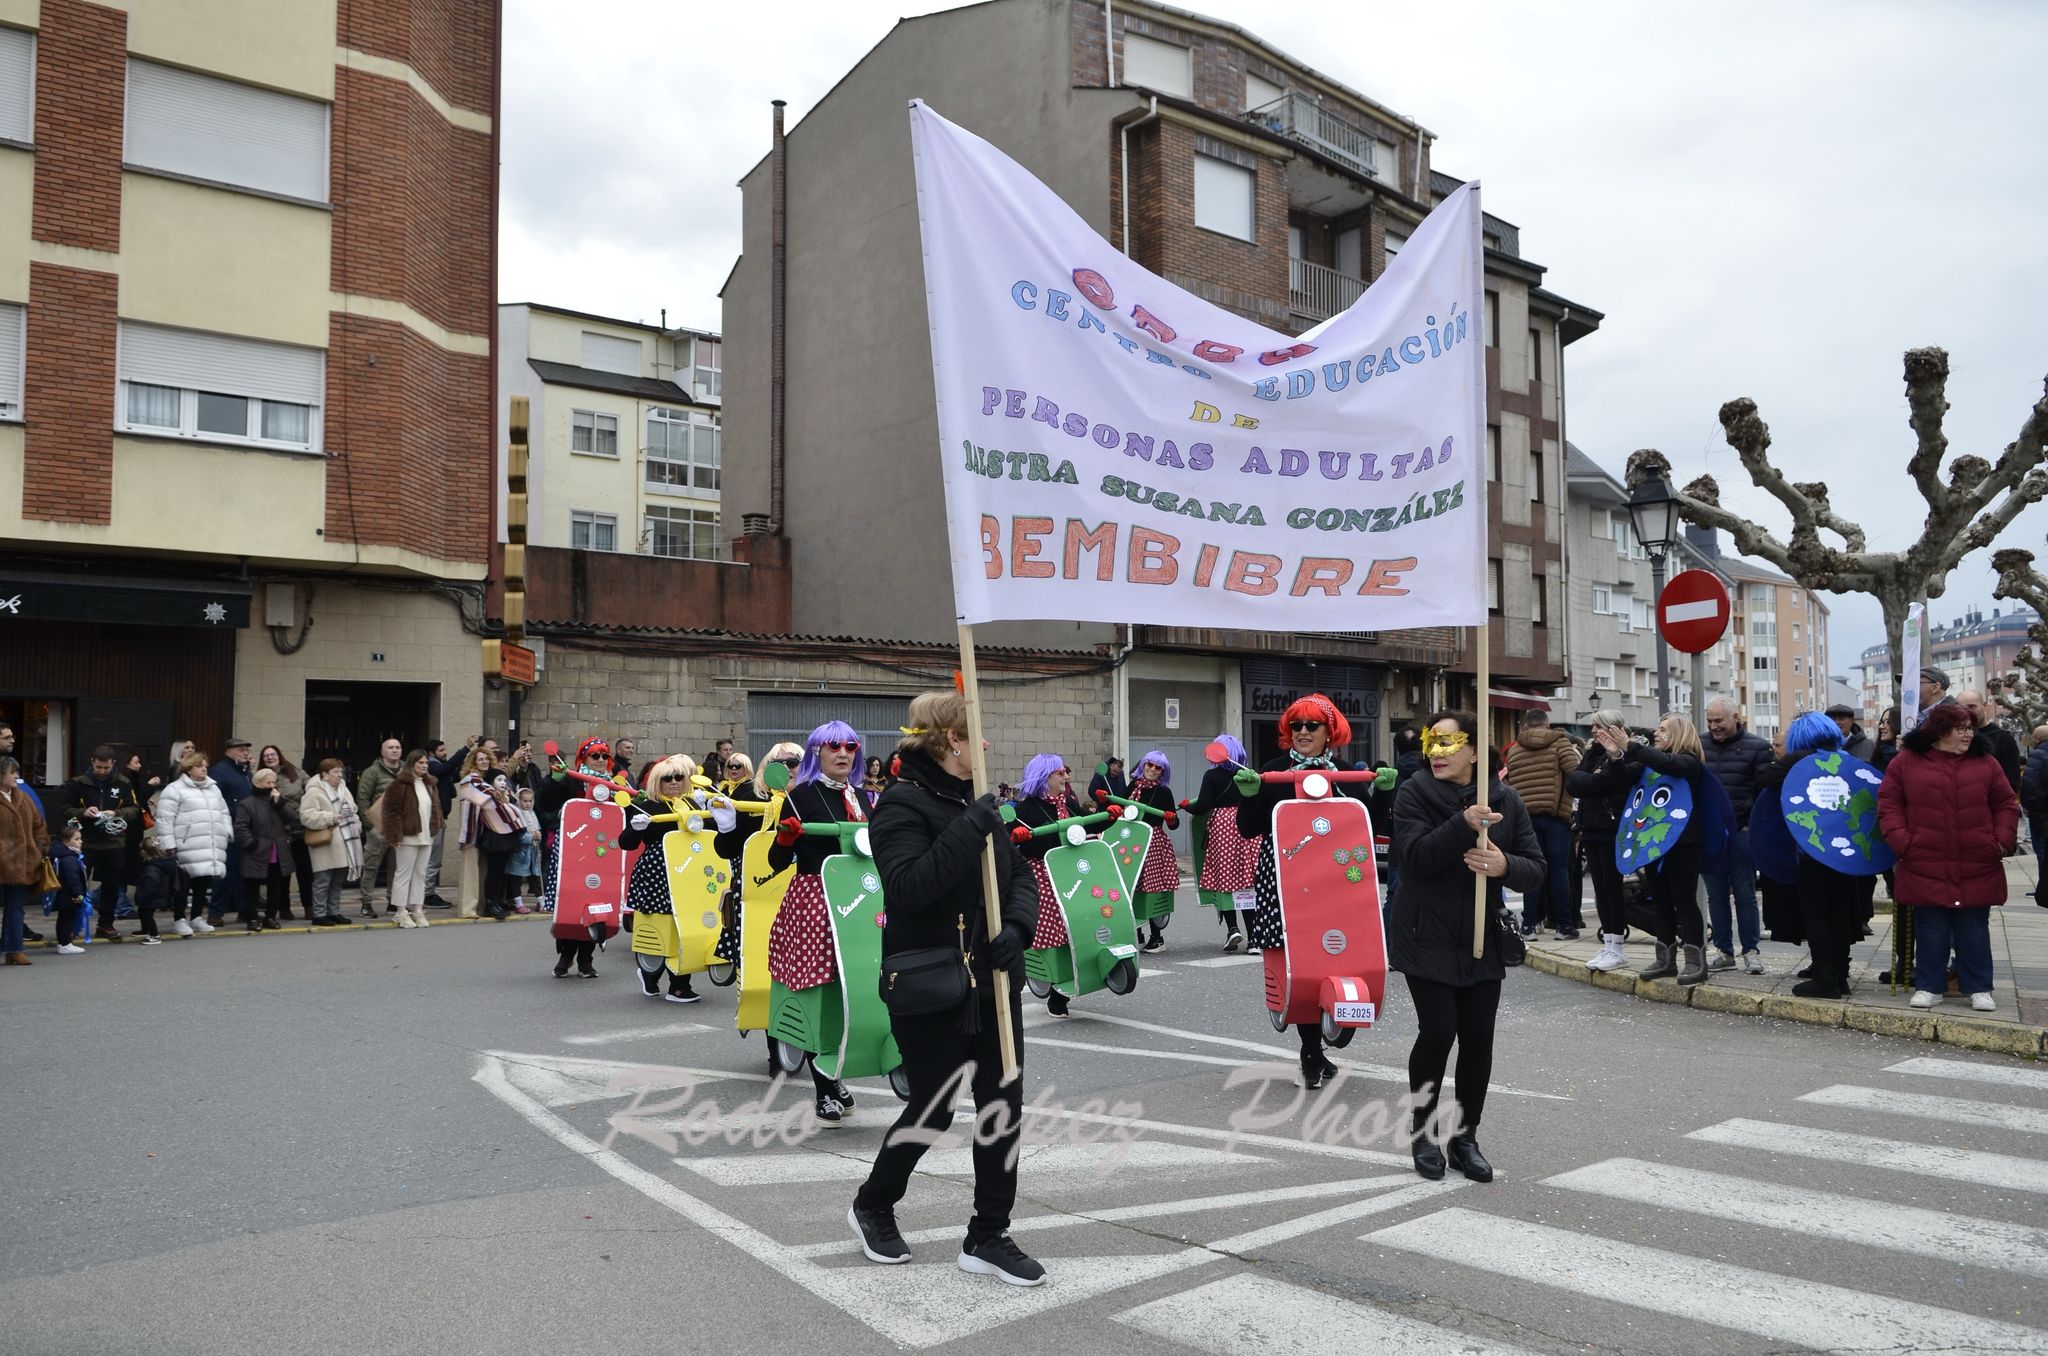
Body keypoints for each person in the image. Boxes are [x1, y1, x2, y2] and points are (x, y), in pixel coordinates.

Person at [849, 691, 1043, 1287]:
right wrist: (971, 825)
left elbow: (1021, 877)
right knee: (932, 1109)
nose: (984, 745)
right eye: (975, 734)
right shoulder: (900, 805)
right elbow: (909, 887)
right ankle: (874, 1204)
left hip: (993, 984)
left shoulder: (974, 802)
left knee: (1002, 1109)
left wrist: (1015, 927)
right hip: (932, 987)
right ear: (951, 740)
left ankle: (988, 1235)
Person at [1388, 710, 1546, 1183]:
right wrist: (1462, 823)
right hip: (1424, 932)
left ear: (1476, 751)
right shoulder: (1413, 791)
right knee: (1438, 1031)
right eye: (1432, 742)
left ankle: (1464, 1136)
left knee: (1478, 1038)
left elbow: (1535, 866)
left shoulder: (1507, 799)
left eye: (1450, 744)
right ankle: (1423, 1131)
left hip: (1481, 936)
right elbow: (1415, 858)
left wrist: (1503, 867)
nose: (1438, 752)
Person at [1236, 695, 1377, 1089]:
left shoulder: (1347, 773)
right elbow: (1249, 829)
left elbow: (1371, 825)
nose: (1301, 733)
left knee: (1337, 952)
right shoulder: (1272, 771)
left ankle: (1321, 1038)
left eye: (1311, 726)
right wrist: (1248, 797)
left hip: (1336, 881)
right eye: (1295, 726)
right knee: (1298, 961)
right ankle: (1311, 1050)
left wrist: (1381, 792)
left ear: (1329, 732)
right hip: (1284, 877)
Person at [1878, 701, 2016, 1012]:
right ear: (1942, 732)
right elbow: (1888, 804)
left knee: (1974, 927)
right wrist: (1903, 842)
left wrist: (2001, 842)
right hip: (1924, 858)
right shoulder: (1906, 763)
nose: (1969, 735)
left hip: (1977, 859)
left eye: (1970, 728)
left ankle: (1979, 987)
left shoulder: (1986, 763)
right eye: (1961, 729)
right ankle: (1929, 985)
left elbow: (2006, 803)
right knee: (1930, 927)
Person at [766, 722, 871, 1119]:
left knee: (857, 989)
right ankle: (823, 1086)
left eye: (850, 746)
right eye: (833, 747)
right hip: (815, 902)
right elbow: (777, 863)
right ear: (816, 753)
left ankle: (840, 1068)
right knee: (821, 995)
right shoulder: (800, 797)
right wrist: (786, 839)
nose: (843, 753)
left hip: (862, 900)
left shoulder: (863, 796)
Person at [1593, 713, 1717, 985]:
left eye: (1663, 730)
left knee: (1684, 901)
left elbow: (1668, 764)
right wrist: (1615, 756)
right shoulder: (1650, 762)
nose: (1657, 734)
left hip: (1684, 842)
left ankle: (1696, 962)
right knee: (1660, 900)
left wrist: (1631, 746)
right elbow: (1624, 778)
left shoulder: (1689, 762)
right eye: (1658, 730)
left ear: (1680, 735)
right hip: (1654, 842)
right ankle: (1665, 960)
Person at [1760, 713, 1871, 998]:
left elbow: (1765, 777)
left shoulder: (1798, 760)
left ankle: (1825, 978)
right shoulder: (1844, 759)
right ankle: (1840, 976)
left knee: (1816, 914)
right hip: (1847, 852)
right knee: (1840, 913)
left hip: (1812, 851)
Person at [620, 755, 724, 1000]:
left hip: (691, 872)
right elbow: (626, 842)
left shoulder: (693, 805)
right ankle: (650, 972)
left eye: (679, 777)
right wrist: (636, 827)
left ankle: (679, 985)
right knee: (661, 926)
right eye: (668, 778)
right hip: (658, 874)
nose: (674, 782)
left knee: (685, 926)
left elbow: (711, 836)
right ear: (658, 782)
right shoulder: (647, 807)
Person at [1009, 752, 1087, 1016]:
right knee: (1053, 931)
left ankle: (1066, 982)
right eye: (1060, 772)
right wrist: (1018, 836)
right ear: (1045, 777)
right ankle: (1053, 989)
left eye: (1065, 771)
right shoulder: (1026, 808)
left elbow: (1084, 829)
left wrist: (1107, 817)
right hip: (1042, 874)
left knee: (1074, 926)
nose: (1066, 776)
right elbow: (1012, 839)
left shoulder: (1069, 802)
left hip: (1070, 872)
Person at [1699, 697, 1770, 974]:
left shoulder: (1757, 747)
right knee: (1715, 896)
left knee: (1745, 893)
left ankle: (1751, 950)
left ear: (1735, 717)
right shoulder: (1700, 746)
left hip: (1741, 833)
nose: (1714, 726)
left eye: (1719, 721)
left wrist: (1750, 825)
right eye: (1710, 722)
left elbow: (1763, 791)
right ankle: (1724, 951)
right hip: (1711, 834)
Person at [1564, 710, 1636, 972]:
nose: (1592, 730)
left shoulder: (1626, 752)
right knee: (1600, 890)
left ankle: (1617, 946)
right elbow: (1573, 782)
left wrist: (1592, 780)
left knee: (1612, 888)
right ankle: (1608, 944)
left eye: (1598, 726)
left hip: (1612, 827)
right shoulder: (1594, 752)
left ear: (1613, 727)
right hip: (1591, 826)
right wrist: (1592, 781)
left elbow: (1611, 779)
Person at [1501, 709, 1580, 940]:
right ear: (1547, 725)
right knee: (1559, 871)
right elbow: (1576, 773)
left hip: (1525, 819)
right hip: (1557, 817)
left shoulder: (1514, 749)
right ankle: (1564, 926)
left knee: (1532, 871)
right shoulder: (1560, 744)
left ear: (1526, 726)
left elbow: (1512, 780)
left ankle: (1529, 925)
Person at [1183, 734, 1258, 951]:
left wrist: (1188, 806)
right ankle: (1253, 939)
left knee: (1224, 879)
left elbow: (1203, 806)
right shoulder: (1248, 775)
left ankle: (1233, 929)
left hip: (1223, 828)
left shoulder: (1212, 776)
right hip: (1246, 825)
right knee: (1246, 881)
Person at [62, 744, 141, 942]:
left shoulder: (123, 782)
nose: (102, 771)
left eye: (105, 768)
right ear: (92, 763)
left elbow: (134, 809)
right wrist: (83, 812)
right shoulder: (78, 783)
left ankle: (106, 924)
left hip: (114, 841)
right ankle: (73, 926)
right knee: (77, 885)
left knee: (112, 886)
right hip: (85, 841)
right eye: (98, 767)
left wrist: (115, 813)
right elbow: (64, 809)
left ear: (113, 764)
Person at [154, 752, 230, 937]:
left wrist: (226, 832)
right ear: (188, 769)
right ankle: (179, 919)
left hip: (208, 843)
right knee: (182, 885)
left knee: (202, 883)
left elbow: (224, 812)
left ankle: (196, 917)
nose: (204, 768)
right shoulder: (174, 789)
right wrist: (168, 845)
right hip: (185, 844)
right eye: (199, 766)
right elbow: (164, 819)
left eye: (205, 765)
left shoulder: (213, 788)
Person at [378, 750, 442, 930]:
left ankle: (417, 908)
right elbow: (391, 812)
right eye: (420, 763)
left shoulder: (429, 784)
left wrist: (436, 827)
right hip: (407, 836)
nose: (424, 766)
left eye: (426, 763)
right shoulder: (400, 784)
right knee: (403, 874)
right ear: (412, 764)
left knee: (420, 874)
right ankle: (400, 911)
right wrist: (394, 835)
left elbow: (434, 809)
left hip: (426, 835)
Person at [1124, 751, 1181, 952]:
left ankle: (1157, 938)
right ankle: (1137, 934)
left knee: (1152, 889)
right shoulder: (1133, 786)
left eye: (1158, 768)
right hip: (1130, 841)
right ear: (1144, 765)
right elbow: (1119, 808)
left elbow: (1174, 824)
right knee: (1130, 888)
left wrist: (1171, 818)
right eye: (1150, 764)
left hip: (1152, 842)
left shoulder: (1164, 792)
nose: (1152, 769)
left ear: (1162, 772)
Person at [299, 759, 364, 926]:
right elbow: (306, 815)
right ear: (325, 775)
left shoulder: (343, 788)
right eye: (335, 772)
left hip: (345, 842)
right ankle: (319, 913)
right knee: (323, 880)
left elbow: (353, 809)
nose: (339, 775)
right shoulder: (314, 791)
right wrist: (329, 817)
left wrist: (356, 824)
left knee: (337, 880)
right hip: (326, 842)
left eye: (340, 771)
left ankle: (334, 911)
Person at [0, 756, 49, 965]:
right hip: (2, 862)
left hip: (22, 864)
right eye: (13, 772)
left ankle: (14, 950)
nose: (17, 776)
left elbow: (39, 824)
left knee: (16, 907)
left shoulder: (22, 797)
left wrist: (38, 848)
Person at [233, 767, 295, 932]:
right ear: (258, 783)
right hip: (256, 850)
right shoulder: (247, 804)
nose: (272, 785)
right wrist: (251, 844)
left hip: (277, 849)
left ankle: (270, 916)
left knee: (276, 886)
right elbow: (241, 827)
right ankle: (252, 917)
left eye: (274, 782)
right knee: (252, 887)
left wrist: (280, 804)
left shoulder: (277, 801)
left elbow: (292, 818)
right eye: (268, 782)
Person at [257, 745, 313, 919]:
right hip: (278, 832)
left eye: (273, 754)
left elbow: (311, 789)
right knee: (282, 874)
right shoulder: (260, 777)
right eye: (266, 756)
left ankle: (309, 907)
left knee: (305, 871)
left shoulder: (296, 772)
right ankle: (284, 908)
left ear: (279, 755)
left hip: (300, 829)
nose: (270, 757)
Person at [208, 738, 256, 923]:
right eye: (241, 750)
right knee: (225, 871)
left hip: (245, 828)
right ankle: (215, 913)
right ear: (229, 751)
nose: (245, 753)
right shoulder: (220, 771)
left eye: (246, 750)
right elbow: (215, 798)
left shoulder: (245, 772)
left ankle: (244, 910)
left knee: (244, 872)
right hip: (229, 827)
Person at [355, 738, 405, 916]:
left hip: (401, 828)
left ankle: (394, 901)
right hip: (378, 827)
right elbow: (362, 799)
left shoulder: (406, 770)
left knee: (398, 867)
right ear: (382, 752)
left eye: (397, 747)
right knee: (370, 867)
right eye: (390, 747)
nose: (394, 750)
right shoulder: (372, 772)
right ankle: (366, 903)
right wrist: (369, 826)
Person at [451, 745, 500, 919]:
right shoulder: (469, 780)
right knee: (470, 871)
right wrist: (498, 794)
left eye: (486, 758)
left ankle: (479, 906)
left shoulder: (483, 780)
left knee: (482, 870)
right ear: (473, 761)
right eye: (480, 759)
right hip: (471, 830)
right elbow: (486, 799)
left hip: (485, 831)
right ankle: (467, 909)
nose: (484, 761)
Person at [474, 773, 527, 921]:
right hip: (495, 838)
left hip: (506, 838)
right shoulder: (491, 797)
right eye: (499, 780)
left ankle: (497, 901)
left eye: (505, 780)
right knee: (494, 872)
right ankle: (490, 903)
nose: (503, 783)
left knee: (501, 873)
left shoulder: (506, 796)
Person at [1955, 689, 2022, 797]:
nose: (1967, 712)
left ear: (1984, 705)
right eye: (1962, 708)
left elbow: (2012, 783)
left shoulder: (2003, 739)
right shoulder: (1951, 737)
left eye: (1972, 707)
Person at [131, 836, 176, 945]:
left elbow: (150, 884)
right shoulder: (157, 864)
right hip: (154, 895)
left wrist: (141, 895)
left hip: (152, 897)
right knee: (143, 913)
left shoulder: (152, 868)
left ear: (144, 851)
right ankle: (145, 930)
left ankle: (154, 935)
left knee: (147, 916)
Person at [2023, 726, 2048, 908]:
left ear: (2038, 738)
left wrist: (2027, 806)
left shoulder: (2038, 755)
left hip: (2041, 812)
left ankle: (2043, 886)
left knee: (2041, 850)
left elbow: (2030, 783)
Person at [508, 786, 543, 910]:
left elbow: (537, 829)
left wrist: (538, 836)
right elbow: (517, 836)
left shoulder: (533, 814)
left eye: (530, 801)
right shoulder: (517, 815)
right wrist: (531, 837)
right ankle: (518, 903)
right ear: (519, 800)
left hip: (533, 851)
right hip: (520, 852)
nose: (527, 804)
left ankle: (542, 902)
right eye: (525, 801)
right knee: (516, 877)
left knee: (535, 877)